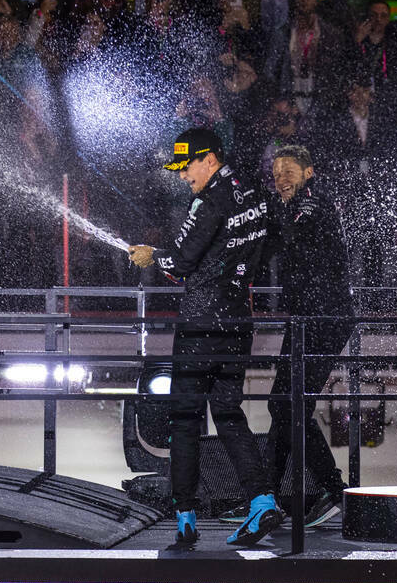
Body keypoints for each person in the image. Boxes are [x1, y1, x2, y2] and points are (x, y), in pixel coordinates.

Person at [128, 128, 281, 546]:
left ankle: (185, 517)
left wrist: (151, 255)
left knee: (184, 419)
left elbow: (180, 262)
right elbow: (271, 242)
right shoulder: (252, 191)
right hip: (238, 321)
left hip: (200, 324)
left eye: (186, 167)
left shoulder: (207, 201)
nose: (182, 176)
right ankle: (263, 501)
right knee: (229, 414)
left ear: (209, 159)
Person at [264, 144, 353, 528]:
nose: (280, 179)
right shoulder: (292, 208)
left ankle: (334, 492)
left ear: (308, 173)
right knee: (283, 406)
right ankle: (265, 498)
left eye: (288, 172)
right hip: (306, 317)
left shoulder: (314, 205)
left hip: (324, 317)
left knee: (286, 405)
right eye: (276, 172)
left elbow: (285, 231)